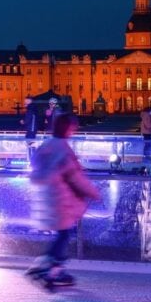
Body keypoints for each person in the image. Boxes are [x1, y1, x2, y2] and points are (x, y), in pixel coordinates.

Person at [26, 113, 101, 288]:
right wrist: (94, 193)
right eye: (73, 128)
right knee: (65, 234)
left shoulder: (46, 145)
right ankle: (44, 266)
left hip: (46, 197)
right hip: (60, 200)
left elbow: (36, 168)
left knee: (63, 234)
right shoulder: (63, 150)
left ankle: (55, 270)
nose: (73, 131)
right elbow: (75, 177)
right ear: (67, 129)